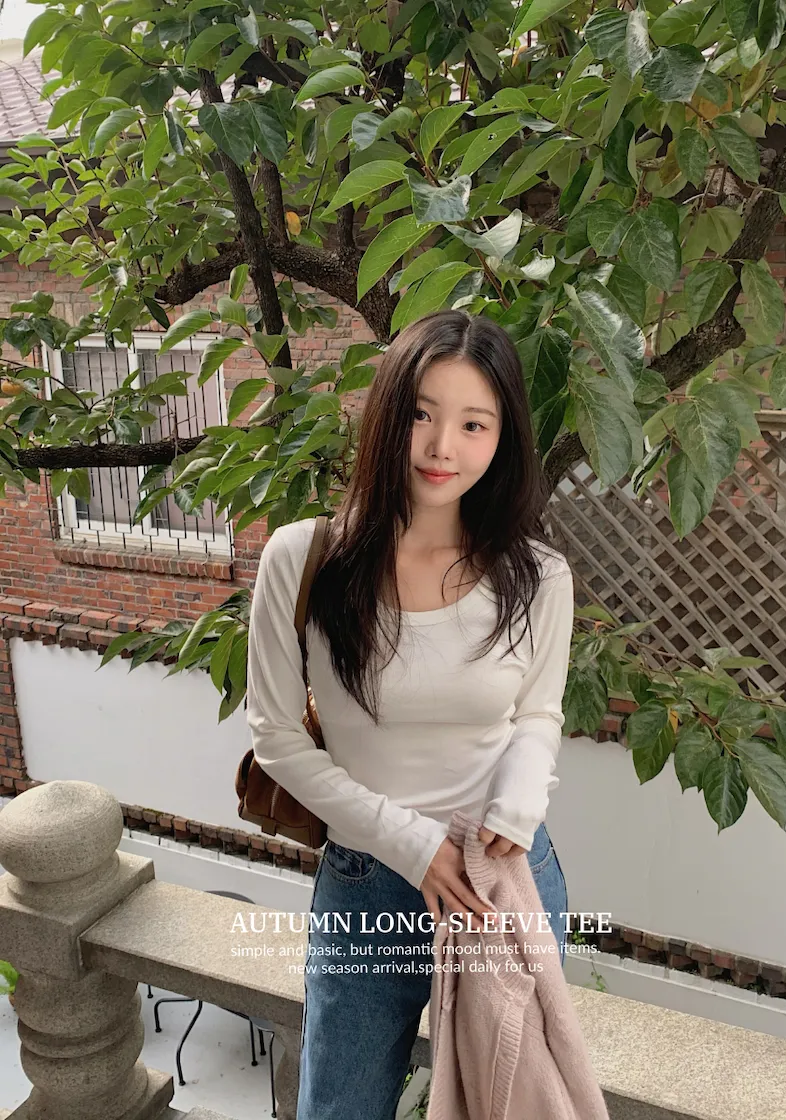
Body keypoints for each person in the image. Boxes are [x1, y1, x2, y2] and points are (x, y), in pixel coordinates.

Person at [246, 309, 575, 1120]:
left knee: (512, 1102)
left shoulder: (538, 576)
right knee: (340, 1107)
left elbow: (539, 715)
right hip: (368, 881)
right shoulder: (305, 558)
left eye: (473, 424)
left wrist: (517, 807)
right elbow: (276, 736)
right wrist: (415, 845)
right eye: (423, 414)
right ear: (390, 413)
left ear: (503, 437)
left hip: (501, 878)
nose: (441, 447)